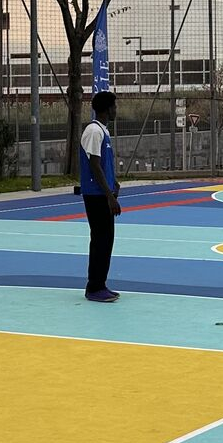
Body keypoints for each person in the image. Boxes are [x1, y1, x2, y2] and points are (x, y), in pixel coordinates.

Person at [78, 90, 122, 303]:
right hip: (96, 195)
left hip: (102, 193)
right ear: (107, 108)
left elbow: (102, 164)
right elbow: (94, 165)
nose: (116, 110)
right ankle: (94, 287)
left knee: (105, 240)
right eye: (114, 106)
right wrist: (109, 196)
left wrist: (114, 184)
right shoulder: (94, 131)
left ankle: (100, 284)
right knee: (100, 240)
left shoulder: (102, 131)